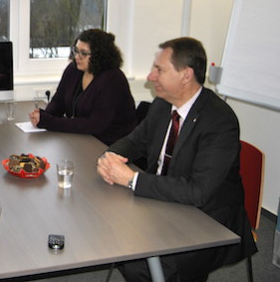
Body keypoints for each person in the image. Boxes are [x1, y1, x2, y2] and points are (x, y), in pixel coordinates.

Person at [96, 37, 257, 282]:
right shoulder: (162, 105)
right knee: (109, 230)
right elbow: (134, 141)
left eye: (159, 69)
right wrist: (110, 158)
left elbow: (198, 192)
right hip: (163, 201)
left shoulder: (219, 121)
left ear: (186, 75)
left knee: (143, 263)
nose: (151, 76)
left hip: (207, 218)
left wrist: (132, 179)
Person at [29, 28, 136, 145]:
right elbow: (58, 102)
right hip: (84, 138)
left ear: (99, 56)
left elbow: (94, 124)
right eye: (76, 51)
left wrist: (49, 122)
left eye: (83, 53)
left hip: (110, 144)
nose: (77, 57)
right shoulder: (74, 69)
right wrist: (43, 116)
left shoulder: (112, 79)